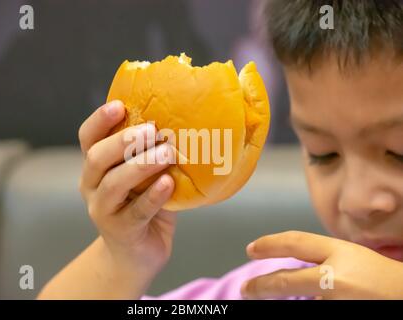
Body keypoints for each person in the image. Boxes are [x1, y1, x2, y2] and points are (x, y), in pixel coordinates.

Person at [38, 1, 403, 299]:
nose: (358, 201)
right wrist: (121, 260)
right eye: (323, 154)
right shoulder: (290, 286)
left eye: (399, 152)